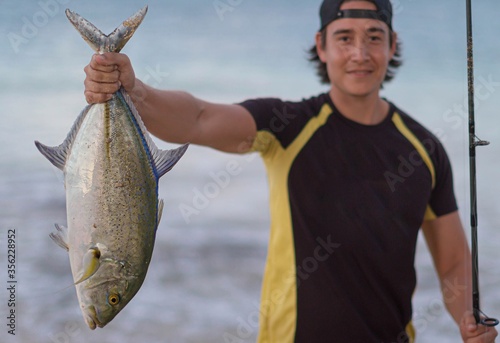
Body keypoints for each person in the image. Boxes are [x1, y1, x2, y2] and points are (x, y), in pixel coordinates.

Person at [83, 0, 498, 341]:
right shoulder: (286, 126)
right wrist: (133, 90)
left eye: (374, 38)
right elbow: (199, 118)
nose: (360, 53)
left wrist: (466, 318)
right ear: (321, 45)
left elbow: (452, 263)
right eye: (344, 38)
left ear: (392, 45)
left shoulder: (424, 149)